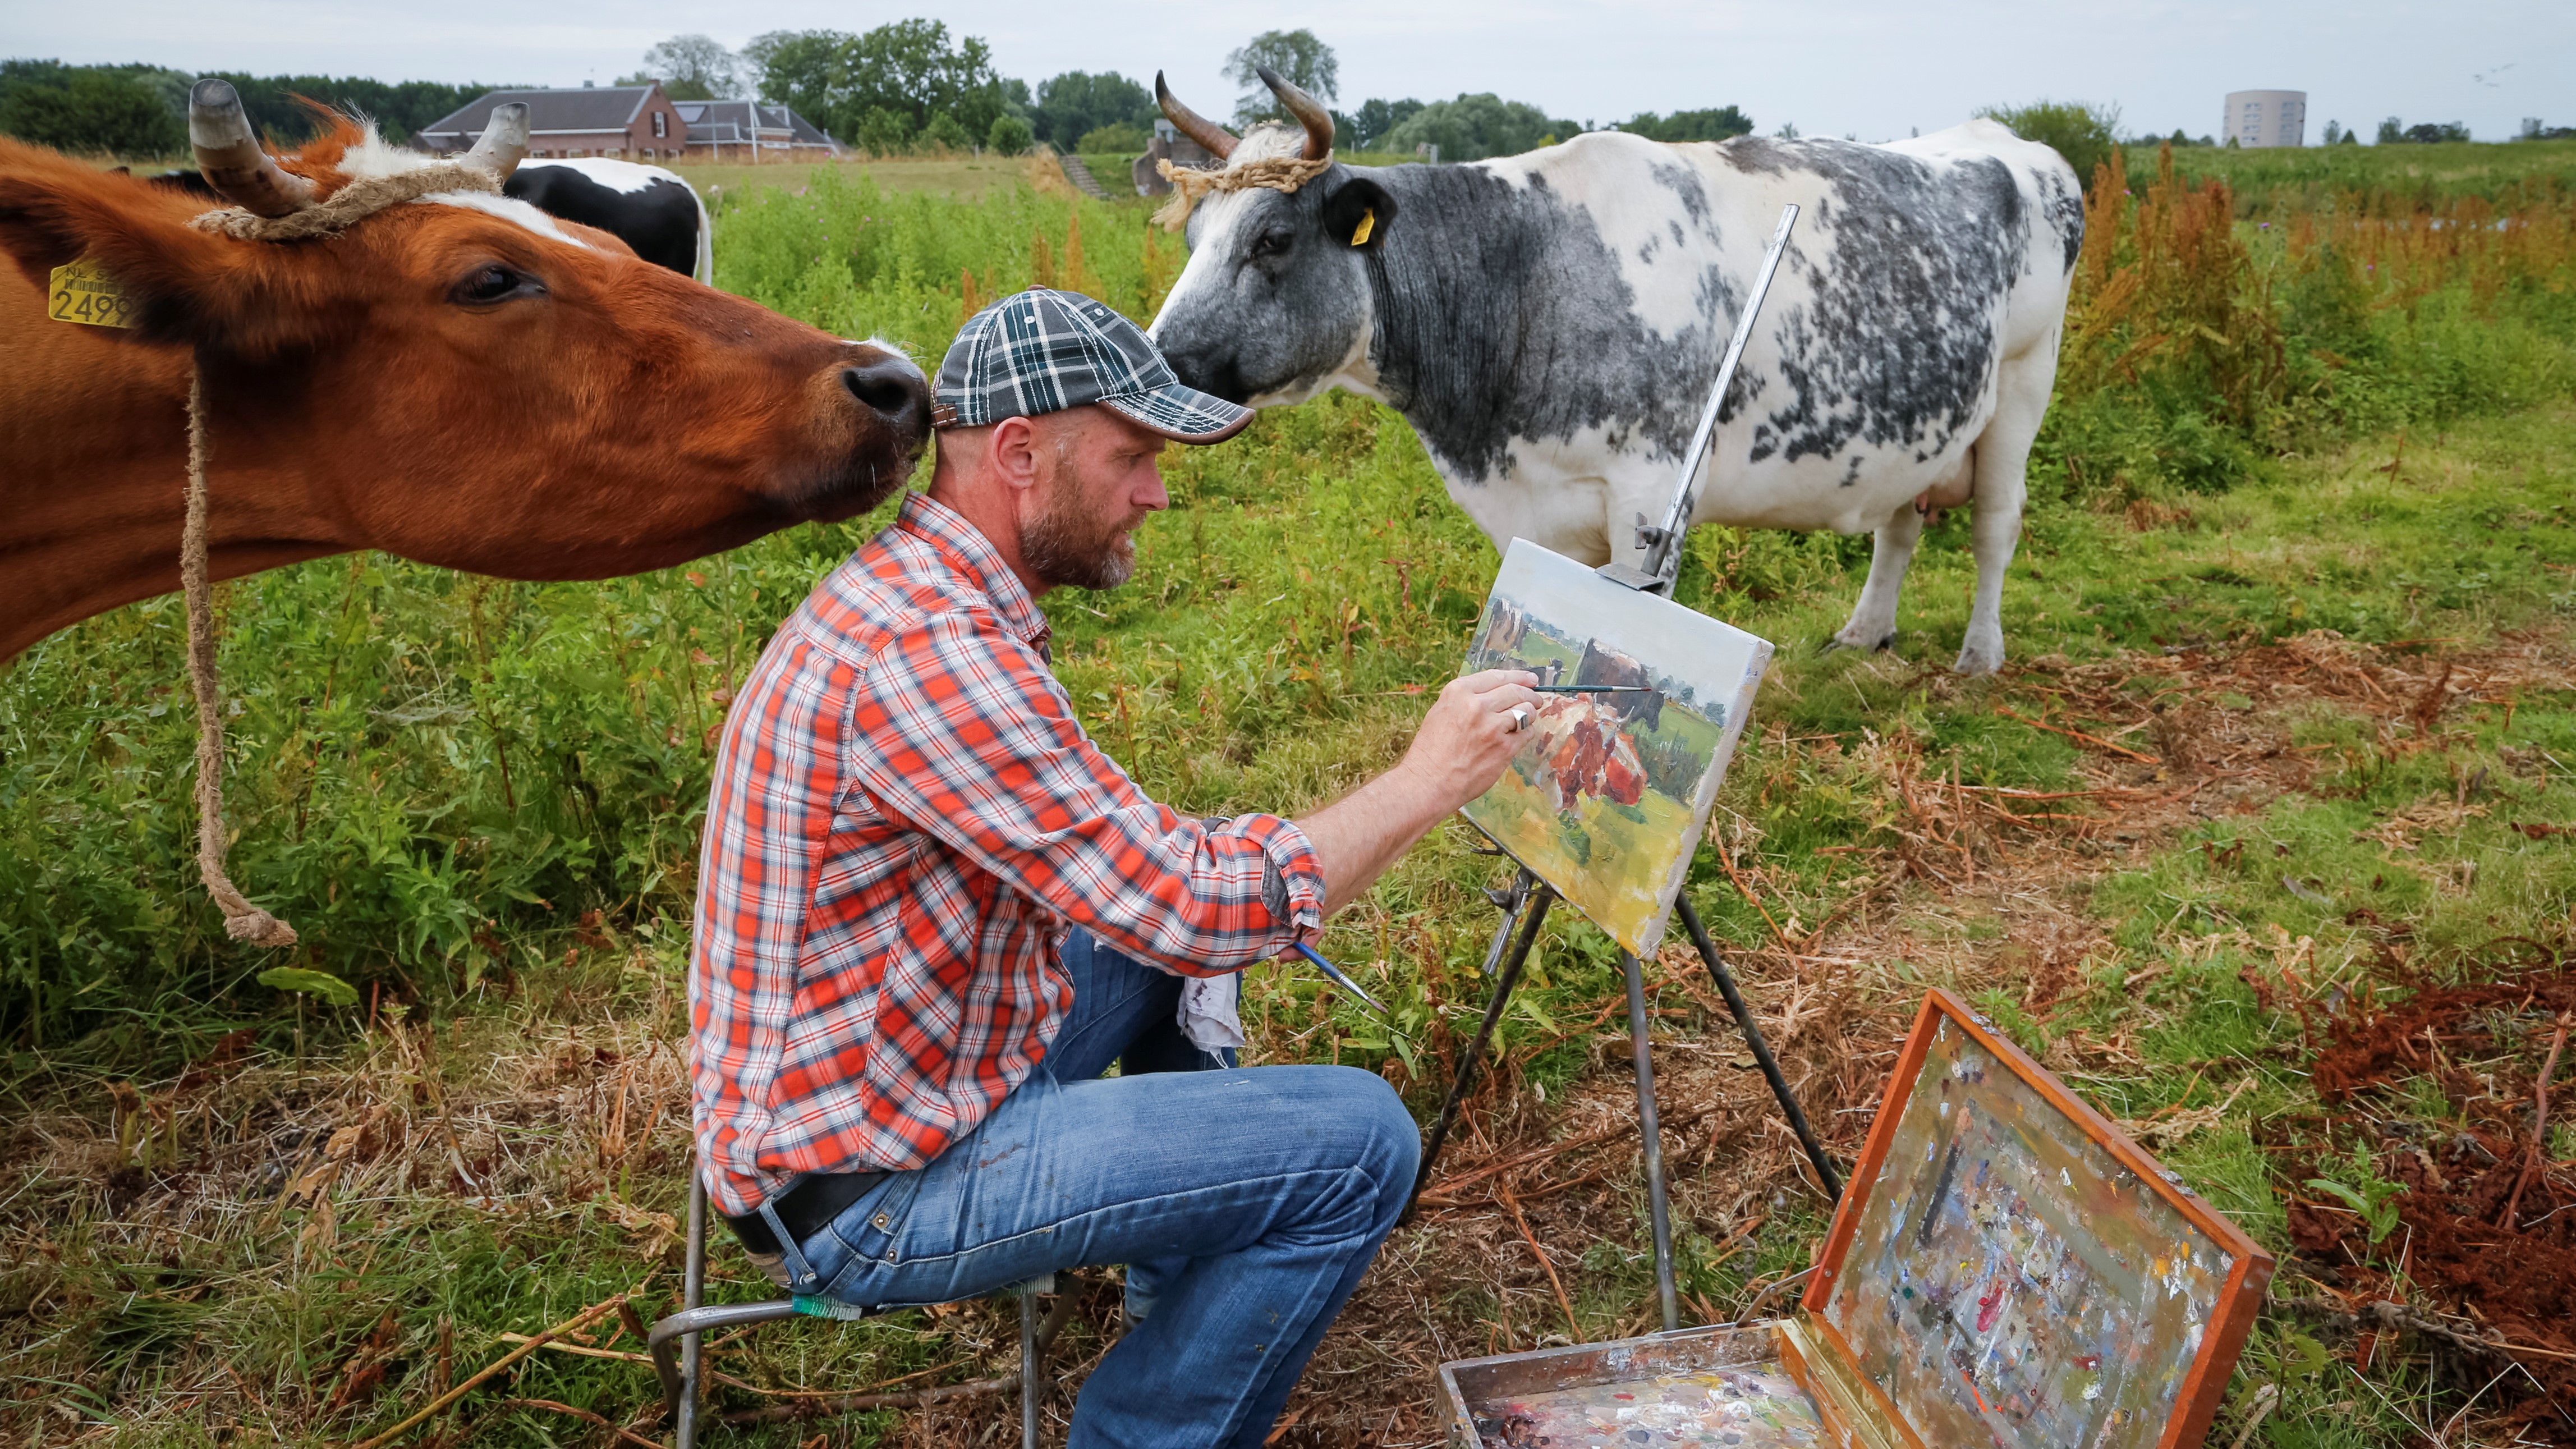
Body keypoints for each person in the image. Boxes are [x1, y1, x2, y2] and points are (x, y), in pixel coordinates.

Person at [690, 288, 1539, 1446]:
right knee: (1364, 1144)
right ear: (1020, 454)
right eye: (1131, 456)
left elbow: (1144, 880)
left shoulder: (925, 593)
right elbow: (1198, 907)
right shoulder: (932, 653)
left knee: (1162, 947)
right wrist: (1426, 781)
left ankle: (1174, 1278)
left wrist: (1214, 876)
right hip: (867, 1187)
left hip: (884, 1070)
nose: (1156, 492)